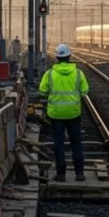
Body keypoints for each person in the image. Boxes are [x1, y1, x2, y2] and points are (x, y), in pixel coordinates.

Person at [38, 43, 90, 182]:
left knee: (58, 143)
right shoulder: (78, 73)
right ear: (69, 57)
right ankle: (80, 173)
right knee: (76, 142)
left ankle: (61, 174)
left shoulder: (49, 74)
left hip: (56, 114)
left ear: (56, 58)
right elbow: (85, 91)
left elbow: (42, 91)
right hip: (73, 113)